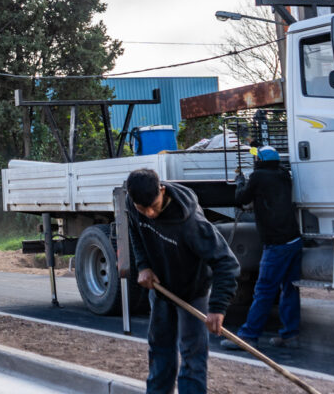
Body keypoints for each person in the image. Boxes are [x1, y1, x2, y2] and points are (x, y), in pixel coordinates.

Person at [127, 168, 239, 394]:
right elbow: (135, 232)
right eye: (142, 208)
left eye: (154, 206)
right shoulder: (134, 205)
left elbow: (227, 263)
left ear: (162, 190)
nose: (149, 213)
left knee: (192, 357)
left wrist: (217, 308)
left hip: (192, 292)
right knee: (159, 352)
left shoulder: (191, 223)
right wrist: (143, 265)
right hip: (161, 291)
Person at [222, 145, 302, 350]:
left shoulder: (258, 177)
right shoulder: (284, 175)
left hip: (276, 244)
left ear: (260, 161)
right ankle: (290, 335)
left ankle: (248, 336)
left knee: (264, 290)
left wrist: (240, 182)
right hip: (294, 240)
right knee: (290, 288)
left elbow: (241, 199)